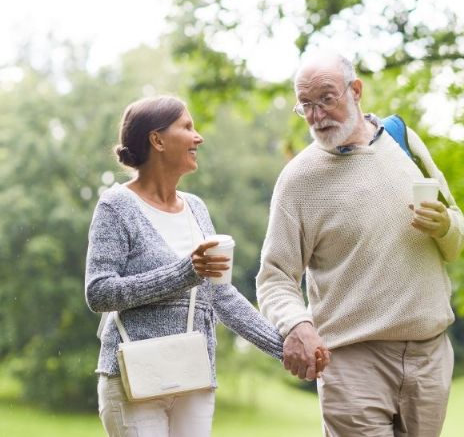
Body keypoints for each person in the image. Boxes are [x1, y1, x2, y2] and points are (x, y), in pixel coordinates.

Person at [84, 96, 327, 437]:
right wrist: (184, 273)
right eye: (187, 127)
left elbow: (221, 297)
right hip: (133, 379)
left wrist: (282, 346)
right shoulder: (116, 206)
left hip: (193, 375)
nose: (199, 137)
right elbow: (99, 292)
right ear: (157, 140)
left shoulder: (196, 208)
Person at [256, 51, 464, 436]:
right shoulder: (298, 180)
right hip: (353, 362)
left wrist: (444, 227)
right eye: (306, 105)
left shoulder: (403, 140)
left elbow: (455, 236)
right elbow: (274, 277)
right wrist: (296, 324)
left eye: (326, 98)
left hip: (430, 355)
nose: (317, 115)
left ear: (355, 90)